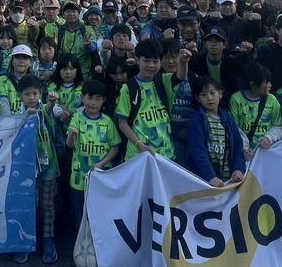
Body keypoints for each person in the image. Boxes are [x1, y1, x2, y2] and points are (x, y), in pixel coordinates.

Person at [116, 38, 186, 160]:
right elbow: (122, 122)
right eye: (146, 61)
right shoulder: (129, 87)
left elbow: (180, 76)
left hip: (166, 154)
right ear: (137, 60)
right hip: (138, 155)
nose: (151, 65)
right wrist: (139, 144)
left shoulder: (163, 81)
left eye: (155, 61)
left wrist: (184, 62)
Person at [66, 79, 120, 233]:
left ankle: (99, 247)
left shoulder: (107, 122)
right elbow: (69, 145)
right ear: (82, 98)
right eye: (89, 98)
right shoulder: (77, 118)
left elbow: (115, 148)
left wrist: (101, 163)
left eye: (98, 99)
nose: (93, 103)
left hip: (100, 177)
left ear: (104, 100)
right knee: (81, 214)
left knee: (100, 212)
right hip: (79, 179)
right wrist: (71, 135)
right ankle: (82, 247)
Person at [16, 74, 59, 264]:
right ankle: (25, 241)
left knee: (48, 204)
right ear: (20, 96)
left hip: (48, 166)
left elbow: (50, 111)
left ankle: (48, 240)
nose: (31, 98)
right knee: (29, 204)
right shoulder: (17, 115)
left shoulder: (44, 109)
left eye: (34, 93)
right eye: (27, 94)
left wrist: (51, 102)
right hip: (26, 169)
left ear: (40, 93)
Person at [187, 76, 246, 187]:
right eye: (203, 95)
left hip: (228, 180)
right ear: (198, 98)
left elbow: (238, 146)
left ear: (220, 93)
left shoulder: (228, 119)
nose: (209, 98)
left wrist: (238, 169)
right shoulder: (196, 120)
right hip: (204, 182)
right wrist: (211, 177)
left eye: (212, 93)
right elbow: (198, 151)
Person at [229, 63, 282, 162]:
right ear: (253, 85)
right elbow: (235, 129)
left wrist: (269, 138)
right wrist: (244, 147)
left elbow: (278, 126)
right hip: (245, 153)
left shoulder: (272, 100)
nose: (270, 85)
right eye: (266, 83)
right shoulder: (236, 99)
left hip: (267, 150)